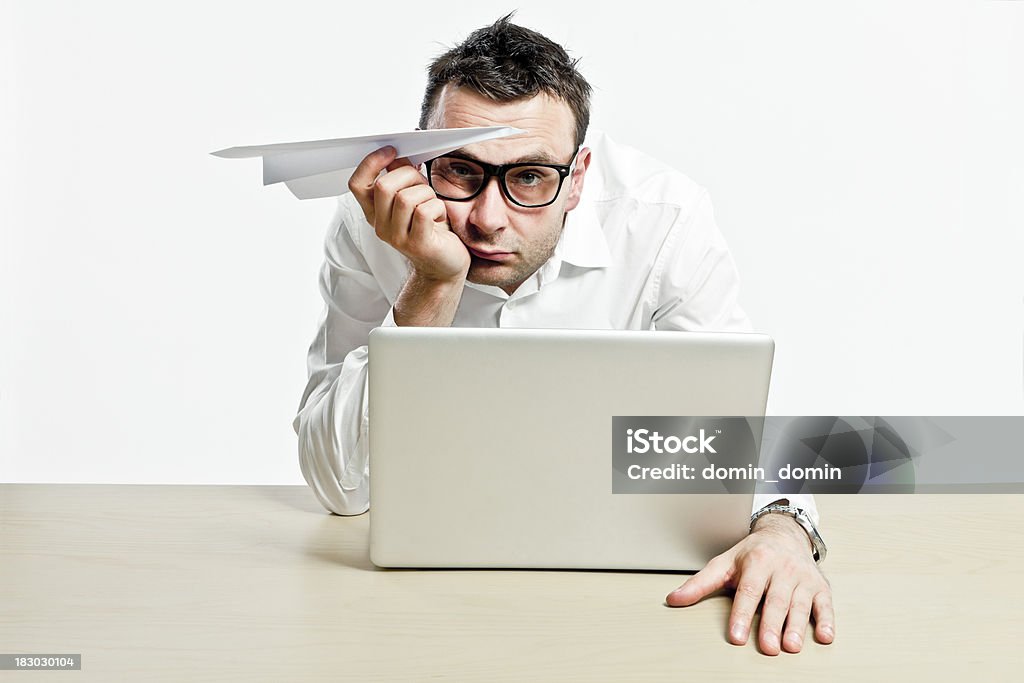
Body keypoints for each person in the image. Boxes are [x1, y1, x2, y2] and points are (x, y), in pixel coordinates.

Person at [293, 14, 834, 656]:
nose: (488, 220)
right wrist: (431, 285)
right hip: (413, 610)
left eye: (528, 177)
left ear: (577, 177)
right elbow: (338, 489)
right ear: (418, 162)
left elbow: (739, 430)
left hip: (629, 609)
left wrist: (781, 532)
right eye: (461, 171)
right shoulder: (370, 227)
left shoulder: (664, 222)